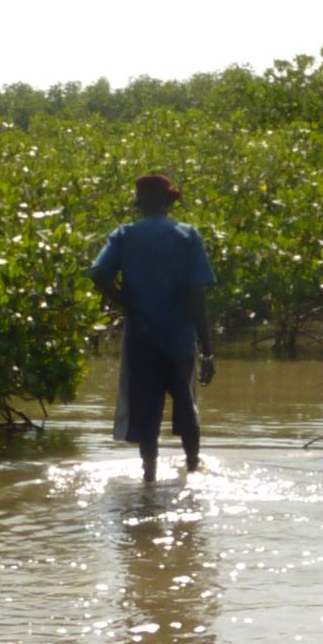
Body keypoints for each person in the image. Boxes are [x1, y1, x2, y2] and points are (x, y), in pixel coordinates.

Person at [90, 174, 216, 482]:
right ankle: (192, 469)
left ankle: (149, 477)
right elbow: (197, 295)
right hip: (179, 340)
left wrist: (126, 302)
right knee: (186, 405)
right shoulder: (187, 235)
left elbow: (98, 274)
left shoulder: (124, 235)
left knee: (147, 411)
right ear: (168, 203)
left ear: (140, 204)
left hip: (141, 339)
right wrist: (209, 350)